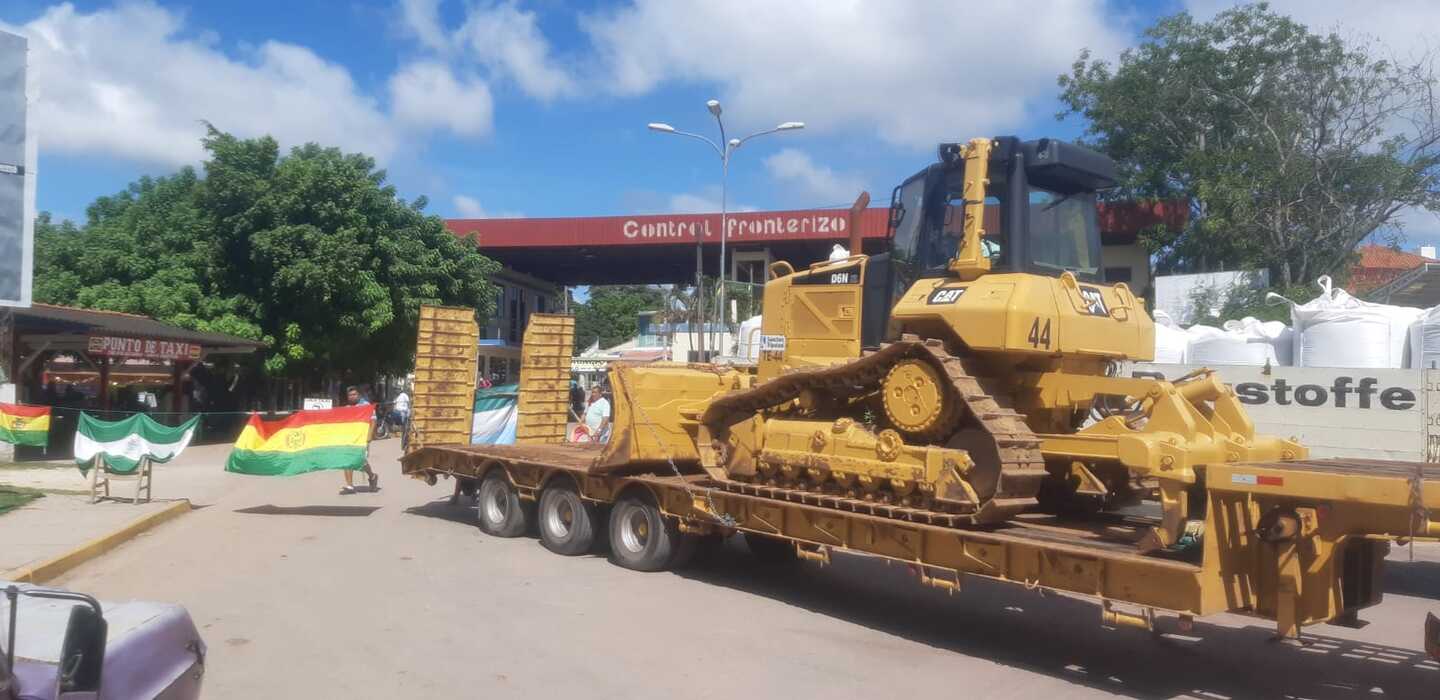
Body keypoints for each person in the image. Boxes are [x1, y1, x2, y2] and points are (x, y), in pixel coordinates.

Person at [341, 385, 379, 494]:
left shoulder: (366, 406)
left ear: (359, 395)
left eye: (354, 394)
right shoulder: (347, 408)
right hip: (350, 438)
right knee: (347, 459)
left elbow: (373, 421)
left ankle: (372, 476)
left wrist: (369, 436)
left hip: (362, 437)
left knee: (361, 461)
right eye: (350, 395)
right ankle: (350, 485)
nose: (352, 397)